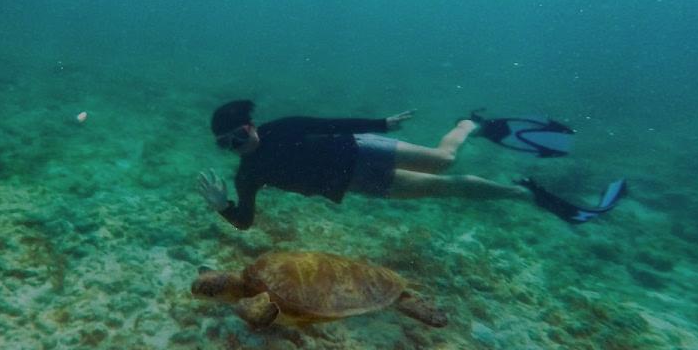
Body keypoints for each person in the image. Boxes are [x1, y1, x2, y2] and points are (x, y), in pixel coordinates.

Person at [196, 100, 626, 230]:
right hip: (355, 184)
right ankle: (526, 193)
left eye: (240, 135)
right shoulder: (247, 175)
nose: (237, 146)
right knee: (444, 188)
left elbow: (331, 122)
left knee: (443, 161)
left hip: (362, 150)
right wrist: (223, 207)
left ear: (252, 126)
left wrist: (381, 124)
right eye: (226, 144)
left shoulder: (284, 128)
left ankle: (469, 123)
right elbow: (246, 222)